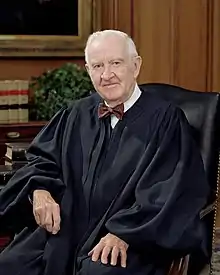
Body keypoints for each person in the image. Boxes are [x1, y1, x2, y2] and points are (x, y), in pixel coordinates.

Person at [0, 30, 209, 275]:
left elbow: (168, 190)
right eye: (97, 66)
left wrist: (124, 233)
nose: (106, 75)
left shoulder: (166, 120)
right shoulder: (75, 113)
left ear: (136, 65)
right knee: (10, 265)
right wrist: (40, 191)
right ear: (88, 70)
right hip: (66, 229)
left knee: (97, 272)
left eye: (116, 63)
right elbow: (41, 160)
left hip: (131, 235)